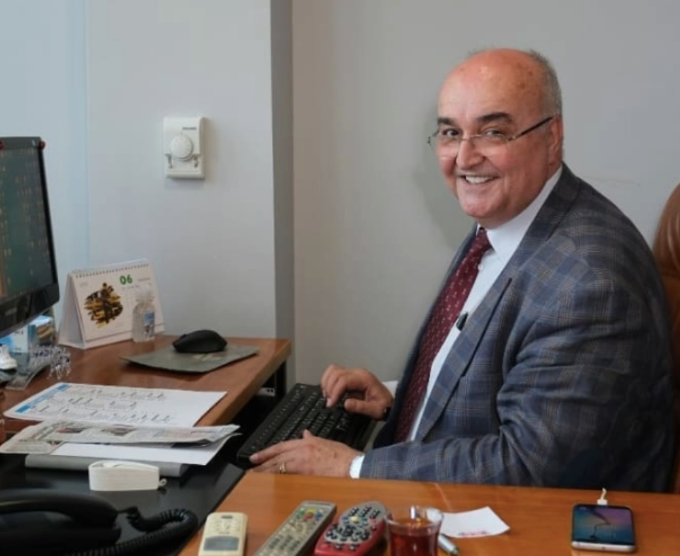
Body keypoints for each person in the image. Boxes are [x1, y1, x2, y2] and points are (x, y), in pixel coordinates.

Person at [250, 47, 674, 491]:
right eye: (451, 133)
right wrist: (402, 396)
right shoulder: (505, 221)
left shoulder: (589, 282)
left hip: (522, 523)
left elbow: (526, 466)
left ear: (552, 138)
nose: (465, 158)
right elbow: (501, 372)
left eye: (493, 132)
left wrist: (352, 468)